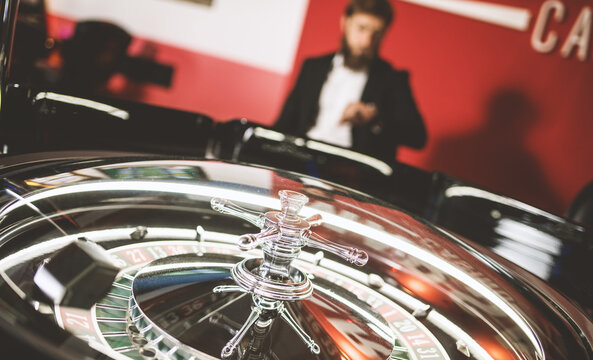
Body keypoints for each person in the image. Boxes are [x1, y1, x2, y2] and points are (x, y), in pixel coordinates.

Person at [275, 0, 426, 162]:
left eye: (376, 33)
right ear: (345, 23)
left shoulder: (391, 79)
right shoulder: (313, 67)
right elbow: (284, 123)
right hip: (302, 155)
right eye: (361, 29)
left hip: (351, 167)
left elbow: (418, 137)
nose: (367, 41)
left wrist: (375, 117)